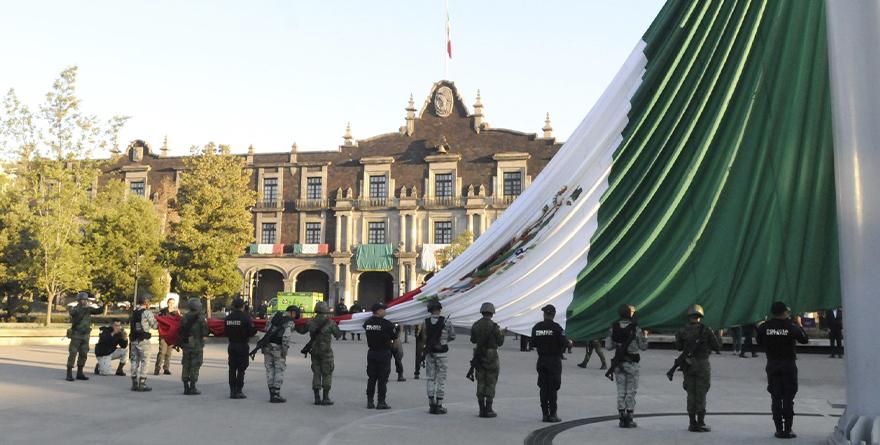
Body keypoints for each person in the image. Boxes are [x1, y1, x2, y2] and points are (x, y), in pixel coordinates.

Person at [756, 302, 808, 439]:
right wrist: (798, 324)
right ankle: (788, 429)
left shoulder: (764, 327)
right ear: (784, 313)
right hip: (788, 365)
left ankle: (779, 429)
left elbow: (759, 342)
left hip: (772, 364)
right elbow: (804, 340)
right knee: (788, 398)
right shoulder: (790, 327)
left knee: (776, 398)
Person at [674, 304, 721, 432]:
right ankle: (700, 422)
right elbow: (717, 347)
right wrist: (718, 334)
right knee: (701, 393)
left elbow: (678, 347)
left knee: (691, 393)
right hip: (702, 365)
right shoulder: (707, 330)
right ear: (700, 316)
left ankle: (691, 422)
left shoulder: (682, 330)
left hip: (688, 365)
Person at [605, 304, 648, 428]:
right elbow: (643, 347)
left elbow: (608, 346)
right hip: (632, 364)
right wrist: (645, 335)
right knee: (631, 391)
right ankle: (629, 418)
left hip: (619, 365)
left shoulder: (614, 328)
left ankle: (621, 416)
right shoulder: (636, 329)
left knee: (621, 391)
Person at [297, 301, 342, 405]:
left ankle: (317, 398)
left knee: (316, 373)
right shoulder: (330, 323)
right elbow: (338, 335)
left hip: (314, 351)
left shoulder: (310, 322)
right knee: (327, 373)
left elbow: (301, 330)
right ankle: (325, 397)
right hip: (326, 351)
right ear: (325, 311)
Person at [531, 304, 570, 423]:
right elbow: (564, 344)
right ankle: (553, 414)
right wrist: (570, 343)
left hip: (542, 360)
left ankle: (544, 414)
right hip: (554, 361)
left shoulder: (537, 327)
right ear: (553, 315)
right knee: (553, 388)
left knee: (543, 388)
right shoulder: (557, 328)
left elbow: (532, 343)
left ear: (544, 314)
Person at [470, 302, 507, 418]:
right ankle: (489, 408)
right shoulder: (495, 327)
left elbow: (473, 340)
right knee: (491, 381)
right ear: (492, 313)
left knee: (480, 381)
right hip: (491, 357)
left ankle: (481, 408)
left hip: (479, 356)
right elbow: (500, 342)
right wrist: (502, 334)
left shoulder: (476, 325)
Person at [420, 301, 456, 414]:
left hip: (430, 352)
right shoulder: (446, 321)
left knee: (430, 377)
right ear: (439, 309)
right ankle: (439, 404)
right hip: (442, 353)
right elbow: (453, 336)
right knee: (441, 378)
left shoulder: (425, 322)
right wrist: (444, 341)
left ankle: (431, 404)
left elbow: (423, 337)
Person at [363, 302, 398, 409]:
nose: (385, 311)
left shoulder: (367, 323)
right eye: (383, 309)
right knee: (383, 378)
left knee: (372, 378)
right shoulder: (387, 324)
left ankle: (370, 401)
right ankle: (381, 401)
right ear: (378, 311)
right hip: (384, 353)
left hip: (372, 352)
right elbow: (395, 336)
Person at [262, 305, 297, 403]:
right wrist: (284, 351)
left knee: (269, 369)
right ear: (293, 313)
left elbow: (266, 329)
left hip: (267, 346)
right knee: (279, 370)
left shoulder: (274, 315)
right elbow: (286, 337)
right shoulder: (289, 322)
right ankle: (276, 394)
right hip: (278, 348)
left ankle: (271, 393)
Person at [66, 291, 103, 382]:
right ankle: (69, 373)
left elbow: (97, 311)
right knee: (73, 353)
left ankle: (80, 372)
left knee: (83, 354)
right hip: (76, 335)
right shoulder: (75, 308)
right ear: (79, 300)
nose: (85, 301)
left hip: (85, 335)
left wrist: (101, 306)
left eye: (86, 300)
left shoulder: (88, 309)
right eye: (83, 300)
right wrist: (84, 308)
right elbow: (74, 313)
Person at [177, 297, 210, 395]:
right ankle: (192, 387)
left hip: (186, 343)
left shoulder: (185, 317)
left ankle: (185, 386)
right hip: (196, 344)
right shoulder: (200, 317)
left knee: (186, 364)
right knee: (195, 365)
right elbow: (205, 332)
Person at [226, 297, 256, 399]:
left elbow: (225, 331)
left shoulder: (228, 318)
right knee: (241, 369)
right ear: (243, 307)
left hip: (232, 345)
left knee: (232, 368)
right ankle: (239, 390)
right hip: (242, 345)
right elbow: (251, 332)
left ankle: (232, 390)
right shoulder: (246, 318)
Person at [129, 293, 158, 391]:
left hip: (133, 340)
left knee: (134, 360)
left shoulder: (133, 312)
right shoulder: (147, 313)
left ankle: (134, 382)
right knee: (145, 361)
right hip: (144, 340)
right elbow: (154, 325)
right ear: (145, 302)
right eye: (148, 302)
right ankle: (142, 382)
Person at [154, 297, 180, 376]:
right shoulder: (163, 311)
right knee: (162, 351)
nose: (171, 304)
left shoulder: (176, 313)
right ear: (167, 303)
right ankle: (157, 368)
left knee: (169, 352)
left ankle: (166, 368)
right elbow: (159, 320)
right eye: (170, 303)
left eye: (173, 303)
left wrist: (178, 314)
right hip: (164, 334)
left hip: (172, 335)